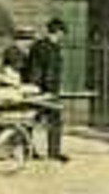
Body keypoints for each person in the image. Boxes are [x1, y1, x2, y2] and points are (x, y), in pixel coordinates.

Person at [12, 19, 70, 163]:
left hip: (35, 88)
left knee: (32, 119)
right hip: (43, 90)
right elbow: (49, 71)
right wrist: (51, 91)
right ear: (58, 32)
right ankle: (53, 153)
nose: (62, 37)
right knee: (54, 120)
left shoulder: (40, 45)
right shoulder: (49, 48)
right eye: (62, 34)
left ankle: (28, 150)